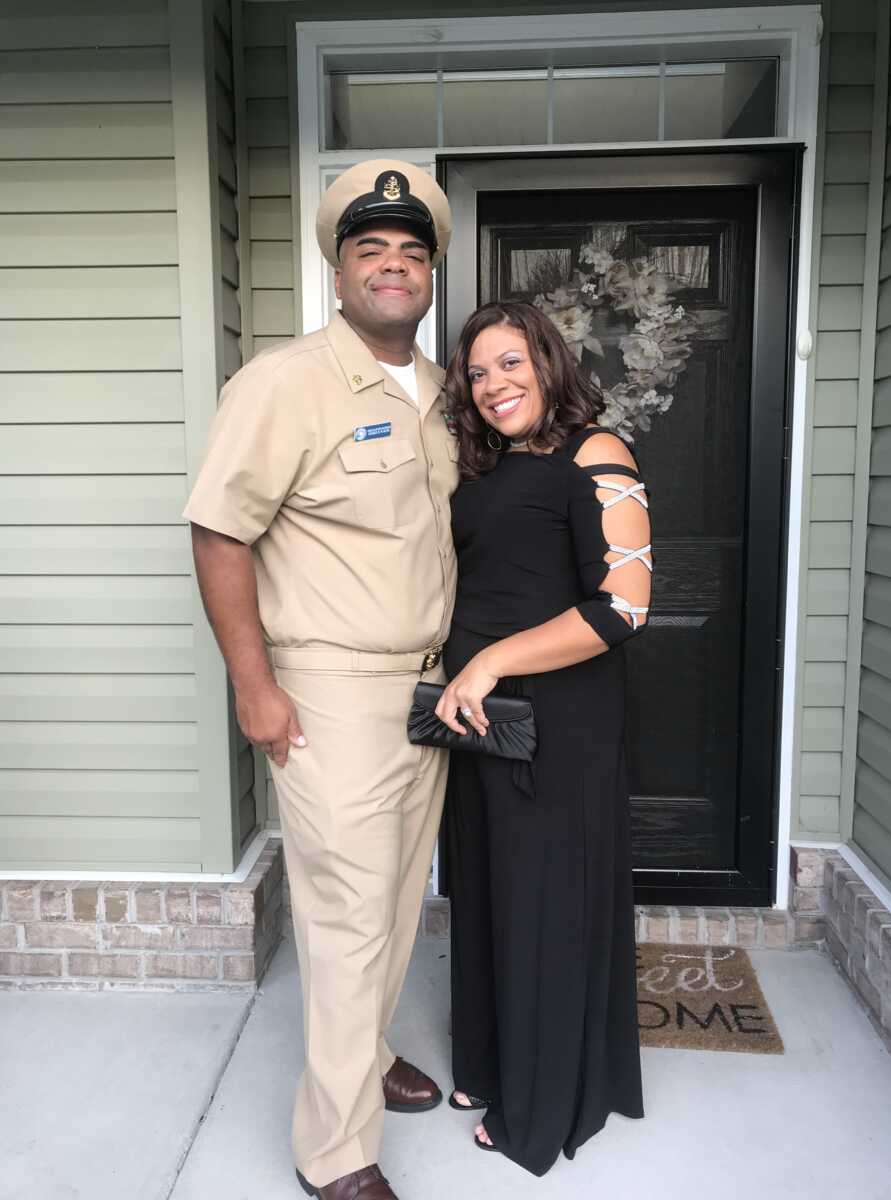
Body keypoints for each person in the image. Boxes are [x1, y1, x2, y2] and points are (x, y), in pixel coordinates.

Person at [183, 160, 457, 1200]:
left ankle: (367, 1055)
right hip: (330, 690)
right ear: (338, 275)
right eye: (370, 251)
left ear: (429, 276)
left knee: (390, 900)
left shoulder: (438, 393)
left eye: (411, 253)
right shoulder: (284, 383)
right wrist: (254, 683)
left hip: (426, 691)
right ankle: (336, 1152)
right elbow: (219, 533)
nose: (393, 267)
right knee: (345, 916)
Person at [435, 300, 650, 1175]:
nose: (494, 385)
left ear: (548, 363)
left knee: (544, 906)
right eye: (478, 373)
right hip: (476, 716)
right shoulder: (480, 469)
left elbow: (625, 605)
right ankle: (489, 1066)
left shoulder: (597, 451)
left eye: (511, 363)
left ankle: (539, 1107)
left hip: (558, 719)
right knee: (487, 893)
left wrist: (489, 663)